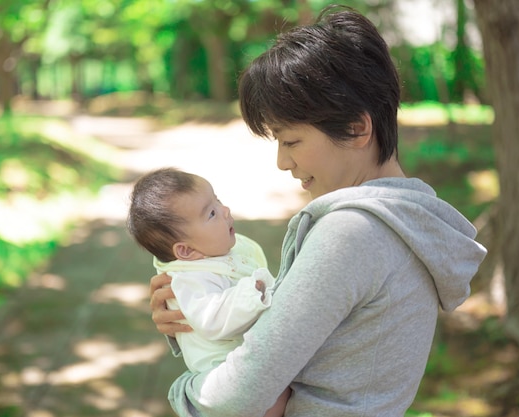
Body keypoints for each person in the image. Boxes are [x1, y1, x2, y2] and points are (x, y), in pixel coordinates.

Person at [148, 4, 488, 417]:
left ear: (357, 128)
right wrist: (199, 314)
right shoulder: (407, 220)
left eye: (291, 141)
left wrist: (184, 389)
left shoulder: (351, 234)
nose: (281, 162)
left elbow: (236, 397)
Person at [127, 167, 291, 417]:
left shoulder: (218, 254)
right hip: (222, 369)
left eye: (218, 200)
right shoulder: (190, 279)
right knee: (274, 399)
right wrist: (252, 293)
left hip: (247, 357)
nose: (225, 211)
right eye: (212, 213)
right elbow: (212, 319)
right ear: (186, 251)